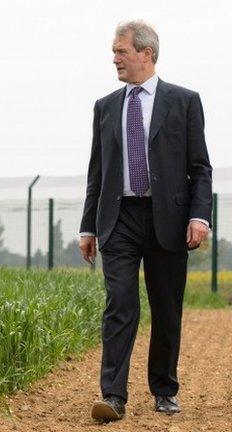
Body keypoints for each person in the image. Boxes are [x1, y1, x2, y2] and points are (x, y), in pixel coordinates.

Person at [78, 20, 213, 422]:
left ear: (146, 53)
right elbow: (97, 172)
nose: (115, 58)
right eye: (114, 51)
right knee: (119, 304)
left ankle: (164, 389)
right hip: (119, 218)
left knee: (166, 308)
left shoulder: (184, 101)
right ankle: (113, 396)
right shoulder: (105, 106)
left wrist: (199, 216)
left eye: (121, 51)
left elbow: (200, 167)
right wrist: (89, 227)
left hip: (168, 219)